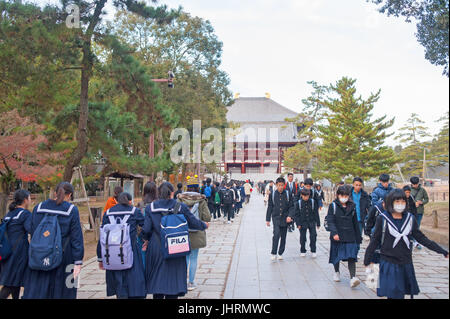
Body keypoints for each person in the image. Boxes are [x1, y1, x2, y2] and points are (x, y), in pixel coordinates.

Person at [364, 189, 448, 299]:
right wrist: (367, 259)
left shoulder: (410, 219)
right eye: (397, 202)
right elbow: (374, 241)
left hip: (405, 262)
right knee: (394, 293)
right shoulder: (383, 219)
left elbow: (421, 238)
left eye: (403, 201)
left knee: (400, 293)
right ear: (391, 203)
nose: (400, 204)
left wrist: (442, 251)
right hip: (388, 262)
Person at [142, 182, 208, 299]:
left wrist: (146, 240)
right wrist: (203, 225)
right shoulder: (179, 206)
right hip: (176, 245)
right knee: (174, 278)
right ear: (172, 193)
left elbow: (146, 229)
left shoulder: (150, 208)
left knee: (157, 276)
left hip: (156, 246)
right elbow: (193, 221)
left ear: (158, 192)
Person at [22, 182, 84, 299]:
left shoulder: (39, 207)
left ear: (55, 193)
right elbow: (76, 237)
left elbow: (32, 229)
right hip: (64, 257)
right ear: (69, 195)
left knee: (39, 290)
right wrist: (78, 261)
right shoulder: (71, 210)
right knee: (65, 291)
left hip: (39, 255)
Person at [97, 192, 146, 299]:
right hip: (131, 249)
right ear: (129, 201)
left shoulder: (108, 213)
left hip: (112, 252)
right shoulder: (134, 211)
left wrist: (100, 258)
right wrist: (143, 238)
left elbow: (103, 235)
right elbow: (145, 226)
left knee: (118, 279)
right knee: (133, 278)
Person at [325, 186, 362, 288]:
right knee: (337, 256)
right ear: (338, 195)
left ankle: (353, 278)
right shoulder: (333, 205)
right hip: (338, 235)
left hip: (350, 235)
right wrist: (334, 233)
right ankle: (336, 271)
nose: (344, 197)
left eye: (346, 195)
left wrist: (358, 237)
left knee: (352, 256)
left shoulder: (352, 206)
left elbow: (355, 223)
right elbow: (330, 220)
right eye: (342, 195)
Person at [177, 183, 211, 291]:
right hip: (197, 232)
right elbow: (207, 217)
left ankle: (182, 281)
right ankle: (191, 282)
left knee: (185, 258)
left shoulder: (180, 200)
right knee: (194, 258)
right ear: (197, 189)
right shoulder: (201, 200)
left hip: (182, 231)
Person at [0, 189, 32, 299]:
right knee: (10, 284)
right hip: (18, 253)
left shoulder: (9, 214)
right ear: (25, 200)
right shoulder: (25, 214)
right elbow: (30, 229)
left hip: (6, 251)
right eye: (29, 198)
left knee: (15, 281)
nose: (30, 200)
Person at [266, 177, 294, 261]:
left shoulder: (288, 194)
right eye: (279, 185)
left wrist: (290, 216)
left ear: (284, 185)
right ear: (276, 185)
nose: (280, 187)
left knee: (283, 236)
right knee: (276, 234)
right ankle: (274, 252)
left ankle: (280, 252)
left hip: (285, 218)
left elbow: (292, 207)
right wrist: (268, 219)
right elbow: (270, 207)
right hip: (276, 218)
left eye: (282, 185)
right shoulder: (273, 194)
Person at [288, 188, 320, 258]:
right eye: (304, 196)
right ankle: (303, 250)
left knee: (313, 236)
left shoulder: (312, 202)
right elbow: (296, 215)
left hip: (311, 221)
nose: (306, 197)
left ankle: (313, 250)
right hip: (302, 222)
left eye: (307, 196)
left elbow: (316, 213)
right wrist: (298, 224)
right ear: (301, 195)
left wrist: (318, 223)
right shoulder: (298, 203)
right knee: (303, 237)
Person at [136, 181, 158, 270]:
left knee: (143, 259)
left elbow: (137, 222)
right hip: (155, 236)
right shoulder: (158, 204)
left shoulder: (140, 205)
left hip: (142, 236)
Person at [410, 176, 429, 250]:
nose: (415, 185)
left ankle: (415, 242)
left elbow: (426, 199)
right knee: (410, 227)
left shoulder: (422, 190)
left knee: (416, 227)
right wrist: (413, 203)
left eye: (416, 184)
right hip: (411, 211)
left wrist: (422, 202)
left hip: (419, 211)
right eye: (413, 184)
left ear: (418, 183)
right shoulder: (408, 190)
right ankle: (412, 241)